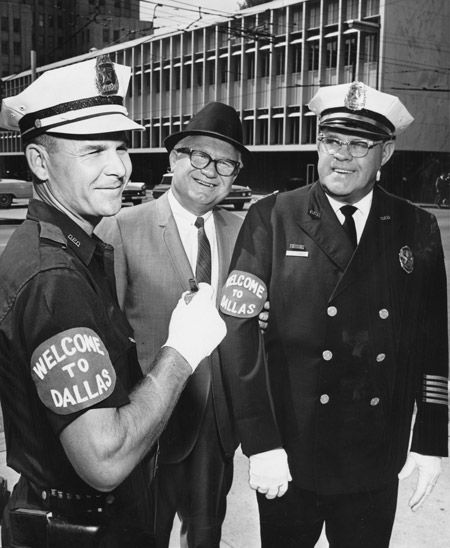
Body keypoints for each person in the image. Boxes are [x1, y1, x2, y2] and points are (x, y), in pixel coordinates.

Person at [0, 56, 226, 547]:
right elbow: (104, 458)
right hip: (81, 529)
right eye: (93, 151)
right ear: (39, 162)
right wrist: (181, 352)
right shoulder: (54, 280)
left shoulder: (74, 248)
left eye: (121, 148)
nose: (119, 169)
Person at [219, 81, 448, 547]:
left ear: (385, 153)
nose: (341, 155)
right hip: (290, 453)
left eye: (358, 144)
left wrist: (430, 440)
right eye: (330, 140)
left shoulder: (414, 225)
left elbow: (432, 340)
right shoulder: (273, 216)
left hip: (374, 455)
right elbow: (238, 336)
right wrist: (261, 442)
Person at [97, 101, 250, 548]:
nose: (211, 171)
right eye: (199, 155)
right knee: (143, 536)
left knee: (206, 536)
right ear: (174, 159)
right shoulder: (123, 228)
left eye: (226, 163)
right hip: (150, 426)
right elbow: (109, 340)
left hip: (218, 428)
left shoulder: (245, 231)